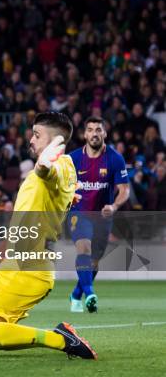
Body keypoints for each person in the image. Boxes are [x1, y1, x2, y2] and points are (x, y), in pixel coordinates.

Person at [0, 112, 97, 360]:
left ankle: (60, 339)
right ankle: (60, 337)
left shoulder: (59, 165)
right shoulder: (62, 171)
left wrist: (44, 164)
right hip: (19, 264)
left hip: (29, 268)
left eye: (36, 135)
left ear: (55, 140)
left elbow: (48, 171)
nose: (31, 140)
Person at [67, 117, 130, 313]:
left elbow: (124, 190)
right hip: (79, 213)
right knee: (83, 249)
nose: (94, 133)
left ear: (104, 133)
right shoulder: (73, 159)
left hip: (103, 216)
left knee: (94, 260)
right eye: (91, 130)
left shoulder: (114, 158)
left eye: (98, 130)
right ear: (85, 134)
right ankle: (90, 293)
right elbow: (62, 186)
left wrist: (114, 206)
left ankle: (77, 293)